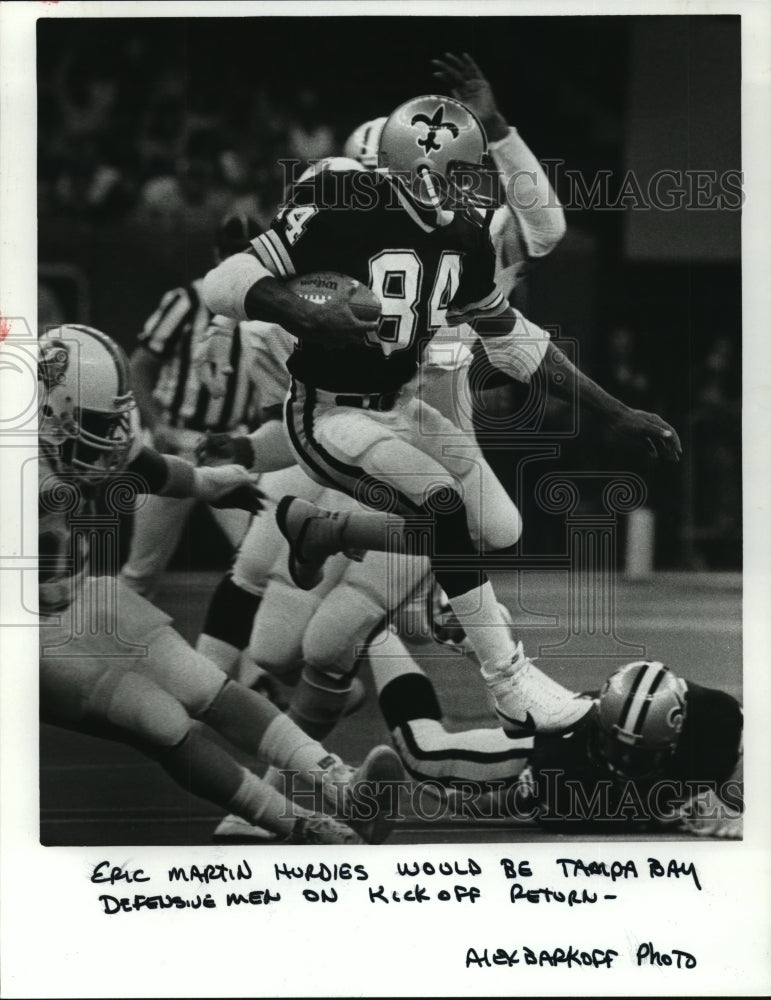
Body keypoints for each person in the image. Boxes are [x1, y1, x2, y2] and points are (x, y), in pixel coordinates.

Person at [202, 84, 681, 737]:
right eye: (461, 172)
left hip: (404, 410)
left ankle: (333, 534)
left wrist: (614, 410)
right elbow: (224, 283)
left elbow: (515, 341)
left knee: (495, 526)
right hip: (328, 414)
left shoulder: (465, 234)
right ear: (419, 169)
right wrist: (292, 305)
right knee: (425, 518)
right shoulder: (340, 197)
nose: (472, 187)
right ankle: (506, 679)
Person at [38, 324, 403, 845]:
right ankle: (305, 826)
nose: (107, 438)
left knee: (204, 683)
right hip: (24, 632)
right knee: (158, 719)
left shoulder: (60, 430)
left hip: (78, 593)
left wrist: (207, 483)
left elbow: (139, 462)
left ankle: (341, 785)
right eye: (94, 424)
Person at [369, 632, 743, 838]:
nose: (624, 763)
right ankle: (376, 634)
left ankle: (473, 635)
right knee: (424, 757)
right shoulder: (566, 770)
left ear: (678, 736)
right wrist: (677, 810)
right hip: (563, 739)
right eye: (616, 747)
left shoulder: (718, 725)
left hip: (588, 741)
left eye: (639, 755)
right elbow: (507, 803)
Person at [119, 213, 263, 600]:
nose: (237, 261)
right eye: (232, 252)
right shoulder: (186, 301)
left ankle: (247, 655)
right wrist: (158, 427)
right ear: (217, 254)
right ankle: (111, 654)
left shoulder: (267, 306)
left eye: (245, 253)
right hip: (177, 440)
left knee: (258, 562)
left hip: (229, 446)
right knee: (141, 572)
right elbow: (139, 367)